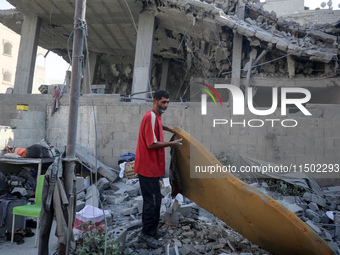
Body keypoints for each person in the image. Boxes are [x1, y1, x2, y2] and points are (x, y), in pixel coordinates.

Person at [134, 89, 182, 248]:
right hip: (147, 168)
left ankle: (152, 230)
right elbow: (151, 144)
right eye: (163, 102)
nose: (166, 105)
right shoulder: (150, 116)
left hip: (153, 168)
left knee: (157, 200)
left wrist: (170, 130)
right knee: (152, 202)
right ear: (155, 101)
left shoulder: (156, 117)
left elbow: (158, 126)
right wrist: (172, 143)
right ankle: (145, 235)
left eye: (168, 102)